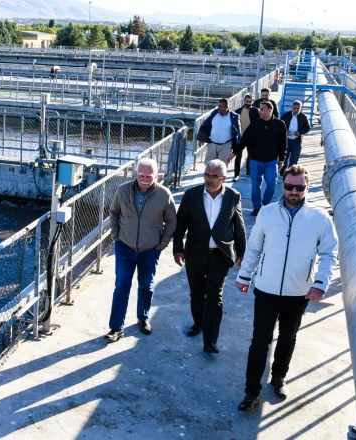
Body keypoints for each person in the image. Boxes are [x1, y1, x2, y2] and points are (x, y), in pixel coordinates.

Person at [234, 165, 338, 412]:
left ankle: (279, 377)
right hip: (266, 289)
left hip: (298, 292)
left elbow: (329, 254)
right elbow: (254, 248)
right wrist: (244, 276)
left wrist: (320, 284)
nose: (294, 191)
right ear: (282, 185)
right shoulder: (268, 214)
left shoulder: (319, 219)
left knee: (288, 337)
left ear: (307, 188)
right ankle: (251, 391)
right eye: (289, 186)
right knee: (260, 340)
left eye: (299, 187)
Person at [173, 159, 246, 354]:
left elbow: (239, 226)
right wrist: (177, 248)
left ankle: (210, 340)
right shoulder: (191, 195)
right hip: (195, 253)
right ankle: (198, 323)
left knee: (214, 296)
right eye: (207, 175)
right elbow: (181, 225)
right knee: (197, 293)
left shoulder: (233, 197)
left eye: (214, 176)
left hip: (220, 256)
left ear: (223, 178)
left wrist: (242, 252)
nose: (209, 179)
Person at [105, 158, 177, 342]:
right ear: (135, 174)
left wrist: (161, 245)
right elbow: (114, 213)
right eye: (141, 175)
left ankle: (143, 318)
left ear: (157, 176)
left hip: (150, 249)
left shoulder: (164, 195)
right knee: (121, 285)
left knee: (146, 286)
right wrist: (116, 236)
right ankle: (116, 327)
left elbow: (171, 221)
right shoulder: (123, 190)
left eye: (149, 176)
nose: (145, 180)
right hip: (125, 247)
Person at [231, 101, 286, 217]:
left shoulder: (280, 124)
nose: (259, 111)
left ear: (269, 111)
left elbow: (283, 144)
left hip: (271, 161)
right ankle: (256, 207)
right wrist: (234, 153)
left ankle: (265, 203)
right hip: (255, 161)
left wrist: (282, 159)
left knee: (271, 183)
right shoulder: (255, 125)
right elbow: (244, 140)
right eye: (260, 109)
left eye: (262, 109)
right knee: (256, 186)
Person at [197, 98, 242, 165]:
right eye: (218, 106)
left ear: (226, 107)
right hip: (212, 145)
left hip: (226, 146)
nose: (218, 108)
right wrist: (201, 139)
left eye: (220, 106)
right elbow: (205, 125)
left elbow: (237, 133)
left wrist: (236, 150)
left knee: (222, 167)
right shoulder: (214, 114)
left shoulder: (234, 117)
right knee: (208, 165)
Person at [279, 100, 311, 175]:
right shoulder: (285, 115)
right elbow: (279, 126)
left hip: (296, 141)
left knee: (294, 160)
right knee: (284, 159)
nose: (296, 110)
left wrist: (300, 132)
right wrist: (284, 132)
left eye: (298, 108)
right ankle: (282, 173)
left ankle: (291, 174)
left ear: (300, 108)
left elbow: (308, 127)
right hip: (286, 140)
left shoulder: (303, 117)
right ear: (292, 108)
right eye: (294, 108)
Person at [232, 94, 260, 182]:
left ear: (252, 101)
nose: (248, 103)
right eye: (247, 101)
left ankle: (248, 171)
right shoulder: (238, 111)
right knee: (238, 156)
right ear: (244, 101)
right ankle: (236, 174)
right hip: (240, 137)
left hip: (251, 136)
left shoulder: (256, 111)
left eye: (250, 101)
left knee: (250, 155)